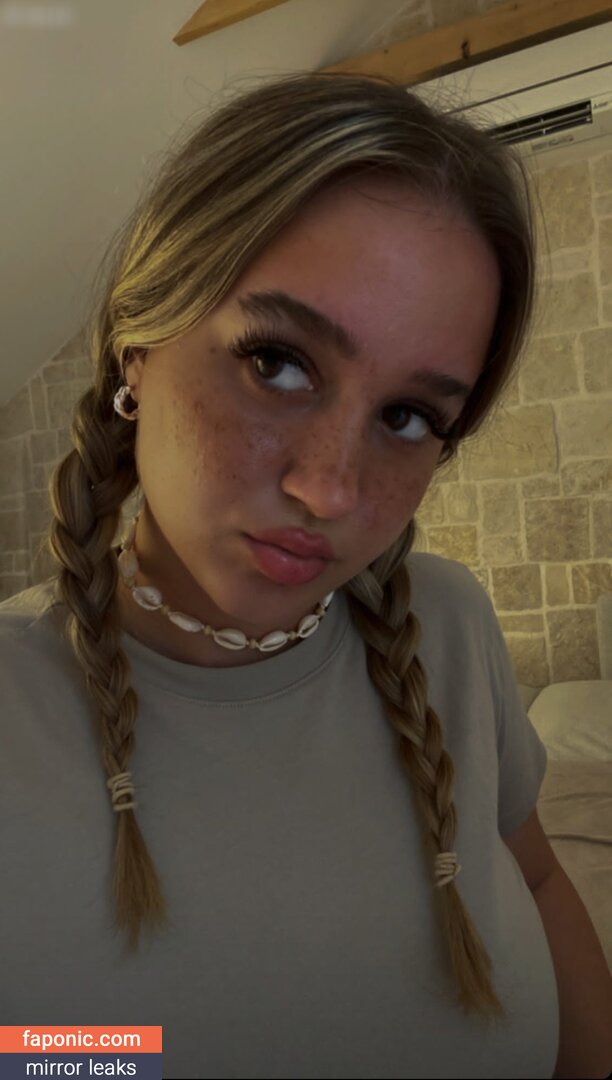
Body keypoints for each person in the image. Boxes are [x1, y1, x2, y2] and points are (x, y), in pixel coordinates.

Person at [1, 71, 610, 1080]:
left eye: (407, 416)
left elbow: (539, 882)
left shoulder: (448, 628)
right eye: (277, 363)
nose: (330, 489)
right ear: (137, 347)